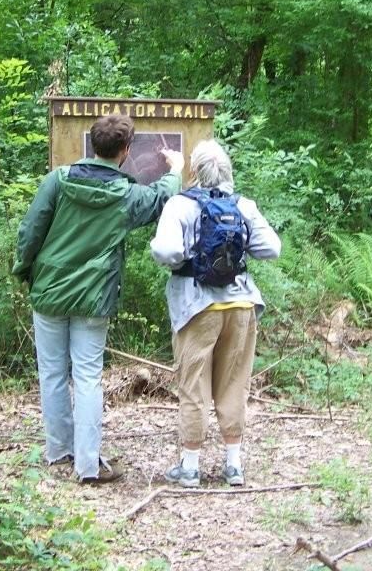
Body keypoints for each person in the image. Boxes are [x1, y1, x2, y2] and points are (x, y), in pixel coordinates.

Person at [13, 114, 184, 484]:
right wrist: (177, 169)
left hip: (49, 290)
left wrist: (25, 271)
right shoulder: (126, 195)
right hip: (93, 298)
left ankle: (59, 450)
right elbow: (160, 198)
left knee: (53, 373)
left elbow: (31, 230)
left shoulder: (57, 180)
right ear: (125, 151)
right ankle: (87, 466)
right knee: (88, 377)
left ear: (93, 145)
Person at [149, 139, 281, 488]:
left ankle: (190, 467)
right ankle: (233, 465)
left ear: (194, 170)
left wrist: (184, 260)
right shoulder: (244, 205)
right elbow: (271, 248)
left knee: (193, 384)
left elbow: (165, 250)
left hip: (196, 307)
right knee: (234, 383)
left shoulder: (180, 204)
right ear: (227, 170)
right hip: (240, 305)